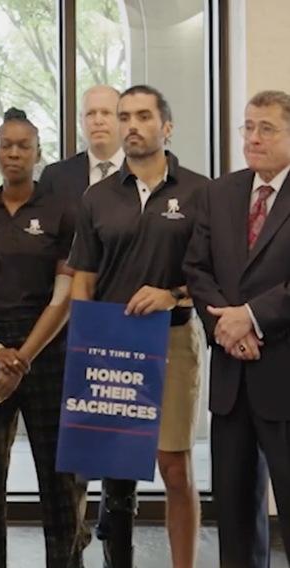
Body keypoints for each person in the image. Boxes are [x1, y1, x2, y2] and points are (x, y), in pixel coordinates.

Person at [68, 85, 207, 568]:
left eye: (143, 116)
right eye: (124, 116)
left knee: (174, 467)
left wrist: (172, 295)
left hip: (172, 338)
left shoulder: (200, 191)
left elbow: (212, 277)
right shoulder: (96, 197)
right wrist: (83, 345)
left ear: (165, 127)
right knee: (111, 468)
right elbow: (82, 279)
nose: (130, 125)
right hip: (107, 343)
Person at [0, 108, 83, 568]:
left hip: (47, 353)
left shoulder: (61, 212)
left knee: (58, 476)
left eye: (23, 146)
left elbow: (65, 295)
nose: (14, 154)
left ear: (38, 154)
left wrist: (22, 359)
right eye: (5, 145)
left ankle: (66, 560)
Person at [183, 89, 290, 568]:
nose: (252, 137)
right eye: (247, 126)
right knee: (234, 514)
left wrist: (251, 317)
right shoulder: (219, 192)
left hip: (283, 374)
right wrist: (227, 325)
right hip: (231, 378)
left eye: (266, 128)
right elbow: (196, 270)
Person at [39, 85, 123, 201]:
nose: (98, 121)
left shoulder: (143, 172)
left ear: (122, 119)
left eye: (106, 113)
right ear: (81, 121)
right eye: (90, 114)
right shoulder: (55, 177)